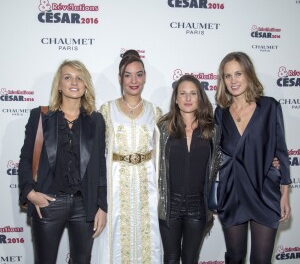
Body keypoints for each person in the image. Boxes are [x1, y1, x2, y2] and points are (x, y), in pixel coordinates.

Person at [18, 60, 107, 264]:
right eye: (67, 77)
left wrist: (102, 206)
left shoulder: (96, 121)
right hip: (48, 202)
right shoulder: (40, 117)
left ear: (86, 85)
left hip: (84, 205)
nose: (74, 82)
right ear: (59, 84)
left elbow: (100, 166)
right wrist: (30, 193)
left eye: (79, 77)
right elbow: (25, 159)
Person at [214, 52, 291, 264]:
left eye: (238, 73)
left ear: (248, 74)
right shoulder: (220, 114)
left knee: (261, 261)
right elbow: (216, 153)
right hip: (232, 191)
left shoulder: (269, 107)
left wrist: (285, 192)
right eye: (227, 76)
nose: (233, 80)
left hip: (264, 190)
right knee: (235, 258)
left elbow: (281, 151)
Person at [93, 50, 163, 263]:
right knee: (114, 239)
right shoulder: (106, 111)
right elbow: (96, 157)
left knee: (148, 238)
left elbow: (161, 157)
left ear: (145, 78)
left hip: (147, 188)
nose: (134, 80)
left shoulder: (155, 112)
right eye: (128, 74)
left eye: (139, 74)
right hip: (115, 187)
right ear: (120, 78)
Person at [157, 74, 222, 264]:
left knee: (190, 259)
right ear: (175, 99)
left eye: (193, 93)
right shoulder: (163, 128)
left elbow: (225, 160)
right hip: (169, 205)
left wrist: (272, 160)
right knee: (170, 259)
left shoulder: (212, 130)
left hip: (198, 207)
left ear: (200, 98)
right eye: (182, 93)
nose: (187, 98)